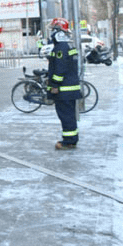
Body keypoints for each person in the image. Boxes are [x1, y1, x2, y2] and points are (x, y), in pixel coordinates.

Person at [46, 18, 81, 150]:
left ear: (58, 31)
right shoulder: (67, 45)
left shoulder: (60, 48)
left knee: (66, 116)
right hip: (69, 89)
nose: (51, 33)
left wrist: (54, 84)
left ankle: (69, 141)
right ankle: (71, 138)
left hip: (63, 90)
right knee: (69, 116)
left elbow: (60, 69)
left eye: (53, 30)